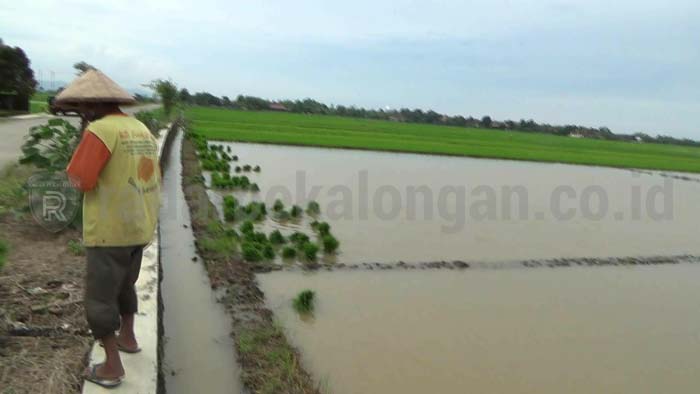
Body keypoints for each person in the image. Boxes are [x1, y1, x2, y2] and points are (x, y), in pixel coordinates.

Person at [60, 69, 161, 388]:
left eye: (82, 107)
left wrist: (78, 156)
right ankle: (128, 337)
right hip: (139, 224)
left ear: (91, 106)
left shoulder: (101, 130)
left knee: (100, 300)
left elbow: (81, 180)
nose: (81, 111)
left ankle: (112, 366)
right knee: (125, 286)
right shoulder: (139, 127)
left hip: (109, 230)